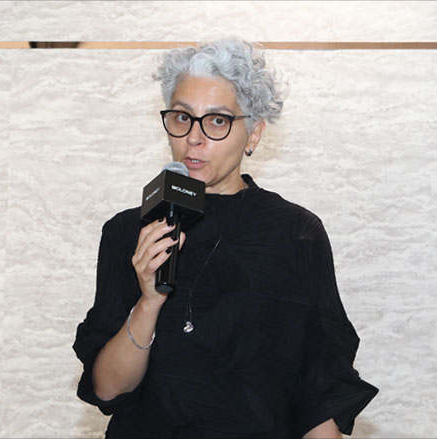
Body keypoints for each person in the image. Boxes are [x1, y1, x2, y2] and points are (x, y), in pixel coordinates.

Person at [73, 38, 378, 438]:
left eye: (217, 121)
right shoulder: (129, 232)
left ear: (253, 135)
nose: (194, 138)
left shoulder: (294, 233)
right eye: (182, 117)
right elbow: (108, 389)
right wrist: (148, 301)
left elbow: (319, 396)